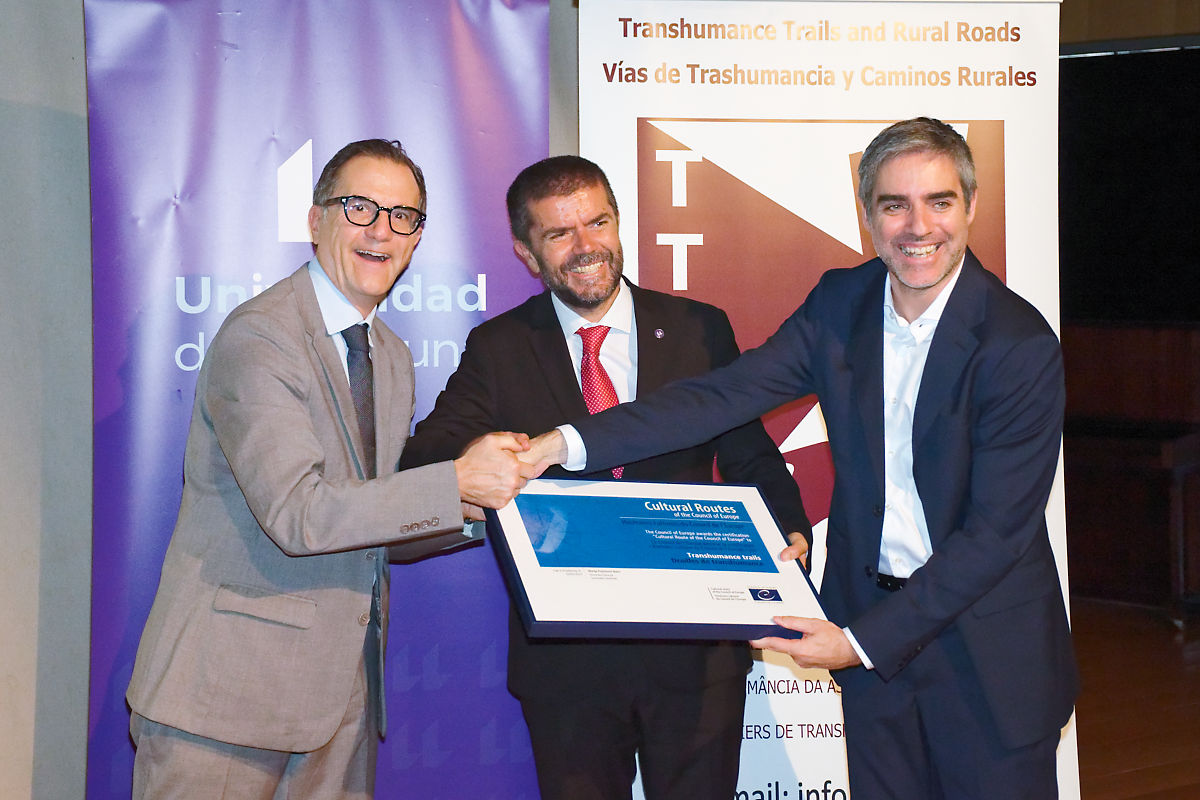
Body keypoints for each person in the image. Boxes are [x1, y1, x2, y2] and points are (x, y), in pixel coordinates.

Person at [525, 119, 1078, 799]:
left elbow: (993, 539)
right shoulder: (840, 304)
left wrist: (858, 644)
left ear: (970, 207)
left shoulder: (1016, 344)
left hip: (987, 655)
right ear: (866, 213)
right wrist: (562, 444)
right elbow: (720, 396)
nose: (917, 226)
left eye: (938, 202)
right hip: (873, 649)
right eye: (893, 204)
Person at [126, 139, 537, 799]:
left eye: (403, 216)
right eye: (359, 207)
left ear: (417, 238)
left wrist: (487, 507)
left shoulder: (392, 355)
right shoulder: (261, 338)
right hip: (225, 701)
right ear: (315, 220)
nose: (381, 230)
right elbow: (301, 515)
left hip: (339, 703)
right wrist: (454, 481)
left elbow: (372, 516)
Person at [399, 155, 811, 800]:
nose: (587, 247)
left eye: (598, 222)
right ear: (526, 253)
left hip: (696, 651)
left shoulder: (701, 329)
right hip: (569, 665)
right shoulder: (499, 348)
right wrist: (486, 465)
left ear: (619, 223)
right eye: (559, 233)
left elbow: (750, 454)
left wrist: (788, 527)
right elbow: (426, 461)